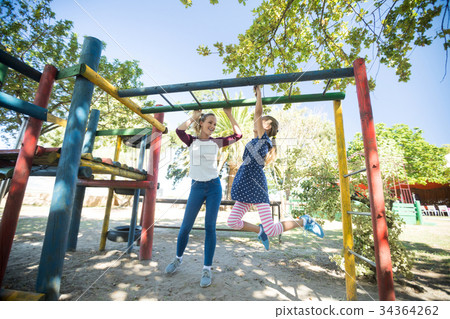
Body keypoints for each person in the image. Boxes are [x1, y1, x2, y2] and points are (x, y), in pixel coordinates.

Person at [227, 85, 324, 250]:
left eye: (261, 120)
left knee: (272, 229)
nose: (256, 120)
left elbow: (257, 113)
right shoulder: (255, 141)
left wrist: (258, 94)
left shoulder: (263, 140)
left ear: (267, 127)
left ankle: (304, 221)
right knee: (232, 222)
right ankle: (259, 231)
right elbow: (246, 126)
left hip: (256, 184)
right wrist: (228, 113)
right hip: (244, 183)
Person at [165, 108, 242, 288]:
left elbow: (238, 135)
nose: (213, 126)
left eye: (215, 124)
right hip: (196, 187)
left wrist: (229, 114)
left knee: (210, 227)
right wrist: (193, 116)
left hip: (214, 187)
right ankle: (178, 259)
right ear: (201, 123)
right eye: (210, 123)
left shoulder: (216, 142)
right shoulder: (191, 141)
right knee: (185, 226)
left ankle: (207, 268)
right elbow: (179, 131)